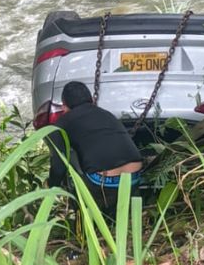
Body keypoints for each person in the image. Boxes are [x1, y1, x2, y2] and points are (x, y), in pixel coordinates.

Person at [46, 81, 144, 217]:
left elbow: (59, 165)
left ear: (64, 106)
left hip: (103, 183)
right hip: (134, 176)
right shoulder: (106, 114)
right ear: (92, 99)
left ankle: (84, 228)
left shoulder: (61, 124)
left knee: (71, 166)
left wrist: (50, 186)